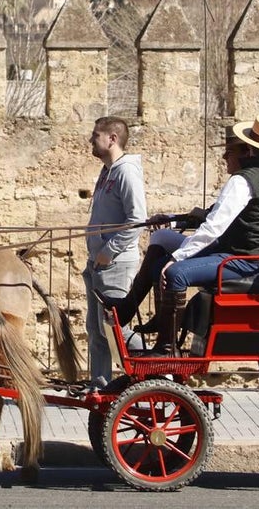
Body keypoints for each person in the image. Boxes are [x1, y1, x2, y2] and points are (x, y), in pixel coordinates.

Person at [101, 113, 259, 354]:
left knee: (174, 273)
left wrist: (178, 258)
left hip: (238, 259)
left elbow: (215, 226)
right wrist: (172, 221)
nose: (225, 157)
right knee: (161, 248)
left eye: (229, 153)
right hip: (249, 256)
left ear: (248, 149)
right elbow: (243, 219)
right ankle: (133, 312)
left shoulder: (243, 181)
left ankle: (165, 347)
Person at [82, 116, 147, 388]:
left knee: (115, 328)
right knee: (97, 330)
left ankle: (156, 364)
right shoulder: (107, 171)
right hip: (98, 263)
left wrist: (109, 250)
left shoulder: (126, 172)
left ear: (112, 138)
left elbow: (137, 218)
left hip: (115, 263)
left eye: (96, 135)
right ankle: (99, 385)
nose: (90, 140)